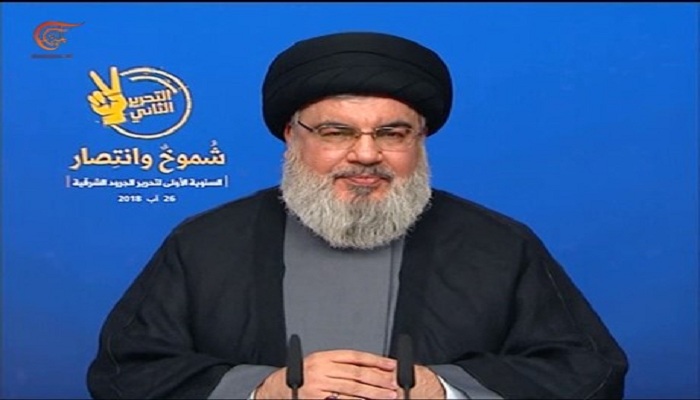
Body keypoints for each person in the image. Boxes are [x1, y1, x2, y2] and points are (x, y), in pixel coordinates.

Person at [86, 31, 629, 400]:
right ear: (291, 135)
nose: (366, 153)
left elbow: (591, 371)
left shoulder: (500, 244)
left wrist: (445, 391)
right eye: (336, 132)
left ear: (419, 140)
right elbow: (125, 372)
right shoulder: (205, 242)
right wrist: (261, 390)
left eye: (392, 133)